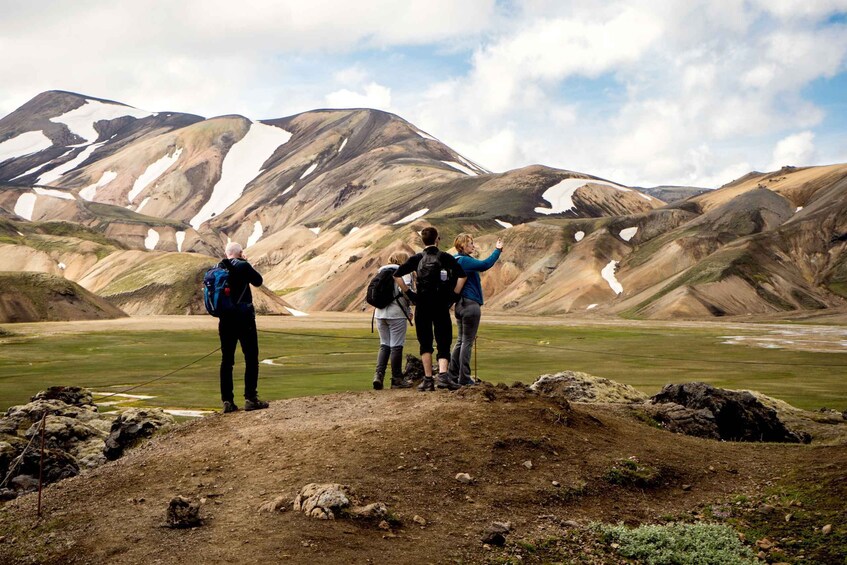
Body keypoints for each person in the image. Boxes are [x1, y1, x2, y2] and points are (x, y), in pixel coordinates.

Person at [394, 226, 467, 392]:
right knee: (444, 340)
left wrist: (411, 295)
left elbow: (397, 275)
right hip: (441, 304)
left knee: (425, 342)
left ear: (422, 241)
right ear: (437, 239)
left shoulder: (417, 258)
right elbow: (462, 276)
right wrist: (453, 297)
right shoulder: (446, 257)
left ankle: (427, 380)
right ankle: (443, 377)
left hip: (422, 305)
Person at [217, 242, 268, 413]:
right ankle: (250, 398)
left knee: (227, 361)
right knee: (251, 358)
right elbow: (258, 281)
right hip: (244, 319)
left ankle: (227, 402)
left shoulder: (219, 267)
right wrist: (246, 262)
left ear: (226, 253)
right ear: (240, 253)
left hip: (225, 320)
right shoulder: (243, 266)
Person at [448, 234, 503, 385]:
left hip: (459, 305)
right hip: (470, 305)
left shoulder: (454, 259)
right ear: (463, 246)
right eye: (471, 244)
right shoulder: (465, 261)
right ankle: (464, 377)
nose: (473, 246)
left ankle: (452, 376)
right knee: (467, 342)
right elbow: (485, 264)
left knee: (460, 341)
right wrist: (498, 250)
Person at [372, 252, 415, 390]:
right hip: (397, 313)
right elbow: (406, 292)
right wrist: (410, 306)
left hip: (379, 314)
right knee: (396, 345)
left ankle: (378, 376)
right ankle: (397, 378)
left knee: (384, 345)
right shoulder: (404, 272)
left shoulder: (381, 271)